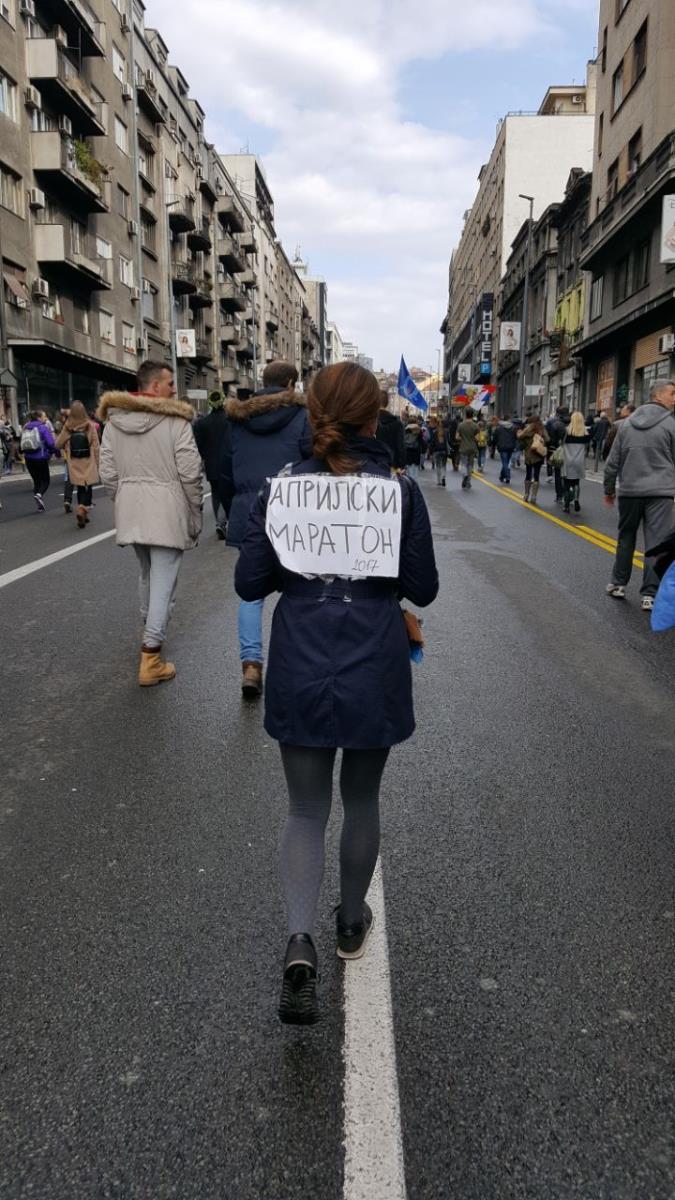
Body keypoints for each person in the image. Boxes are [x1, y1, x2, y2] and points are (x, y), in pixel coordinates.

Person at [234, 362, 439, 1025]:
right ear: (374, 417)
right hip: (372, 659)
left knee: (303, 809)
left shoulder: (282, 489)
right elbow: (424, 586)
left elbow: (247, 584)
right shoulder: (398, 492)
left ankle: (299, 940)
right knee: (360, 799)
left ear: (311, 413)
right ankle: (351, 923)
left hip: (298, 654)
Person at [98, 360, 203, 685]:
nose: (175, 389)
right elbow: (190, 472)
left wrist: (123, 498)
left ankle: (149, 635)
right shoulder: (175, 420)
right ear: (155, 386)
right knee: (163, 582)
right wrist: (194, 508)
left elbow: (108, 473)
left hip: (132, 508)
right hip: (167, 509)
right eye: (170, 383)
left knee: (147, 574)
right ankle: (151, 655)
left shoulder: (115, 421)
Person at [223, 359, 310, 698]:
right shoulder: (303, 417)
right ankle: (298, 666)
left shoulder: (238, 419)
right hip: (294, 510)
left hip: (249, 509)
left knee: (251, 593)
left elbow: (225, 467)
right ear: (291, 383)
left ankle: (251, 666)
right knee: (300, 589)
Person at [604, 378, 675, 611]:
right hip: (662, 493)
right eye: (672, 394)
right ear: (658, 396)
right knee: (656, 543)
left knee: (626, 537)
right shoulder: (672, 425)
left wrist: (609, 490)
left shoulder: (625, 425)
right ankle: (650, 594)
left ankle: (618, 583)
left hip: (630, 491)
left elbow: (613, 461)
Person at [194, 390, 231, 539]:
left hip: (212, 465)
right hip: (229, 463)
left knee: (216, 494)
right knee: (230, 493)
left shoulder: (202, 423)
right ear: (223, 401)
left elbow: (198, 445)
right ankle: (227, 522)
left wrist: (204, 459)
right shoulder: (231, 420)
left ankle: (219, 522)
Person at [55, 401, 100, 528]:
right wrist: (98, 463)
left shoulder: (67, 427)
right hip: (88, 461)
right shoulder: (90, 426)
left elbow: (57, 444)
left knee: (80, 486)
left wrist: (66, 445)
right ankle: (82, 509)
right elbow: (96, 447)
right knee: (86, 486)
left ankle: (82, 512)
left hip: (74, 462)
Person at [20, 411, 56, 511]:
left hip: (28, 458)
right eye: (44, 416)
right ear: (39, 417)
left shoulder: (26, 428)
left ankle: (39, 504)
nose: (46, 418)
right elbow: (50, 444)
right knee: (45, 480)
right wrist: (55, 452)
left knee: (36, 481)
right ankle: (39, 495)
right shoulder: (42, 428)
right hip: (40, 457)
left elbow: (21, 444)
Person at [560, 410, 590, 514]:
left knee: (567, 483)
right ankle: (576, 499)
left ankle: (566, 505)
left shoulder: (566, 432)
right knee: (576, 482)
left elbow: (561, 443)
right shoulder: (585, 434)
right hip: (579, 460)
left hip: (567, 460)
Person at [518, 415, 549, 504]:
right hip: (538, 454)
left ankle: (526, 494)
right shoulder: (542, 429)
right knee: (536, 475)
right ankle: (534, 496)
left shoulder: (528, 430)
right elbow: (548, 439)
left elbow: (520, 437)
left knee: (528, 474)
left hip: (529, 454)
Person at [375, 390, 406, 470]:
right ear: (387, 403)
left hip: (373, 463)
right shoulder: (397, 423)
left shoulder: (370, 421)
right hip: (392, 465)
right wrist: (401, 466)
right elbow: (400, 447)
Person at [545, 406, 569, 503]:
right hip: (571, 451)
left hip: (555, 449)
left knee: (558, 472)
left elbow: (547, 435)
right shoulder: (572, 422)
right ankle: (569, 494)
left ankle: (559, 495)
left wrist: (548, 446)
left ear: (557, 412)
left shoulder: (551, 422)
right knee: (569, 474)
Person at [457, 407, 479, 489]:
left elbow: (457, 437)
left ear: (466, 415)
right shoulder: (475, 426)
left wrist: (463, 438)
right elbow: (477, 438)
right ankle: (468, 482)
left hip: (463, 447)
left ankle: (464, 475)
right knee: (470, 465)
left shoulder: (461, 425)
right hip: (472, 447)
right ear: (472, 415)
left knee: (463, 464)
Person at [494, 416, 518, 485]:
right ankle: (502, 476)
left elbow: (495, 437)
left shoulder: (499, 428)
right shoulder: (513, 428)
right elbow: (516, 437)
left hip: (502, 447)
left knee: (504, 462)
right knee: (506, 462)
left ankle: (507, 476)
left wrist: (496, 444)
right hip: (511, 447)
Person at [429, 419, 448, 486]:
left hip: (437, 451)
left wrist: (430, 452)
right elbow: (447, 442)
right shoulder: (445, 432)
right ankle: (443, 477)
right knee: (443, 466)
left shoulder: (435, 432)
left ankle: (439, 481)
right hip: (444, 450)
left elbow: (432, 443)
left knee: (438, 466)